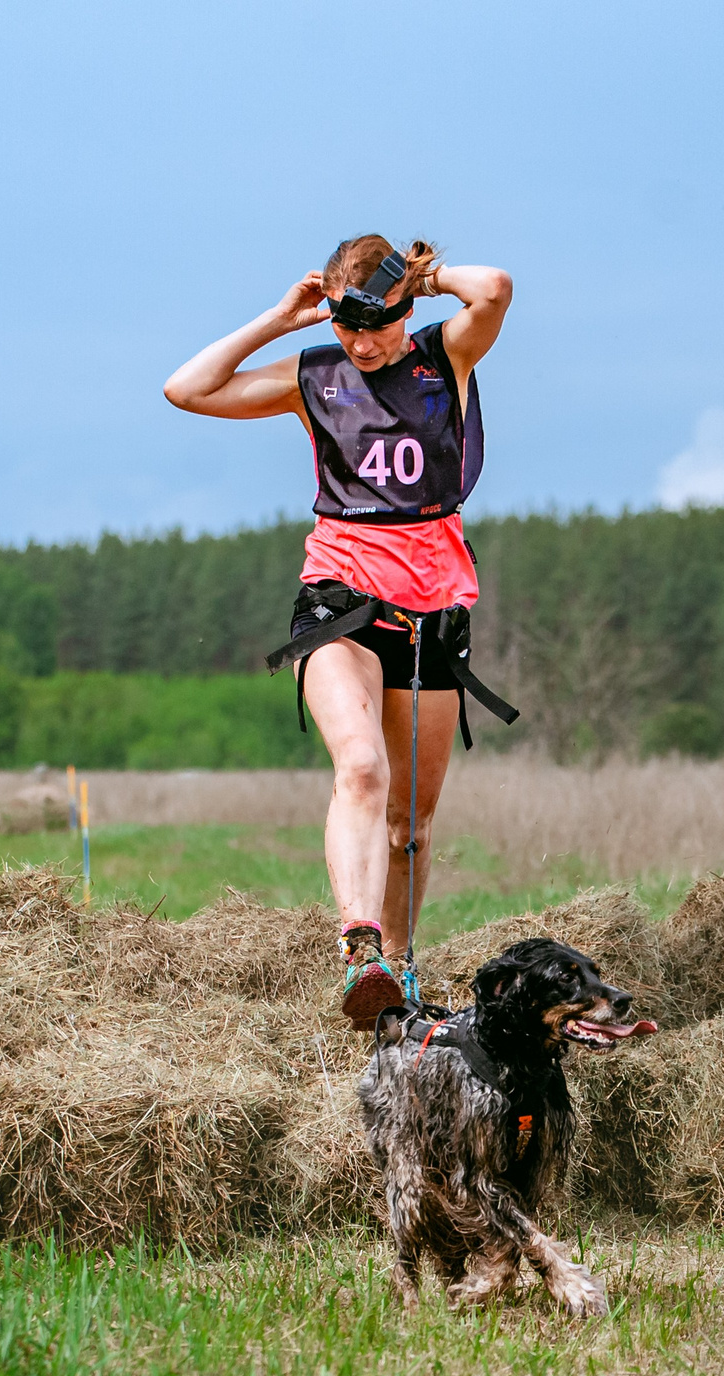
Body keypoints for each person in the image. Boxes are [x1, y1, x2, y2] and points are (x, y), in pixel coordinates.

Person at [164, 234, 515, 1029]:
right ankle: (358, 943)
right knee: (360, 767)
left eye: (376, 326)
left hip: (430, 616)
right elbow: (186, 389)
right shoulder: (314, 375)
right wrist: (280, 320)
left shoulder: (444, 356)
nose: (361, 344)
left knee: (411, 826)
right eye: (346, 327)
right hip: (339, 603)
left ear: (406, 308)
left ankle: (396, 970)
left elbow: (492, 287)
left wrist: (429, 277)